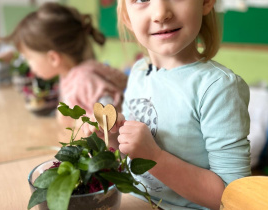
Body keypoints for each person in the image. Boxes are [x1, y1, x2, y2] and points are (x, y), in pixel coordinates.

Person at [84, 0, 251, 209]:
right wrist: (113, 137)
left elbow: (233, 196)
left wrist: (154, 157)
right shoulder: (139, 72)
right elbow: (132, 158)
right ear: (127, 16)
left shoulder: (219, 88)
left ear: (206, 2)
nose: (161, 13)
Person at [6, 3, 127, 125]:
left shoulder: (83, 78)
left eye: (29, 58)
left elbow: (109, 109)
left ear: (53, 58)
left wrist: (90, 122)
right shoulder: (68, 76)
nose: (28, 65)